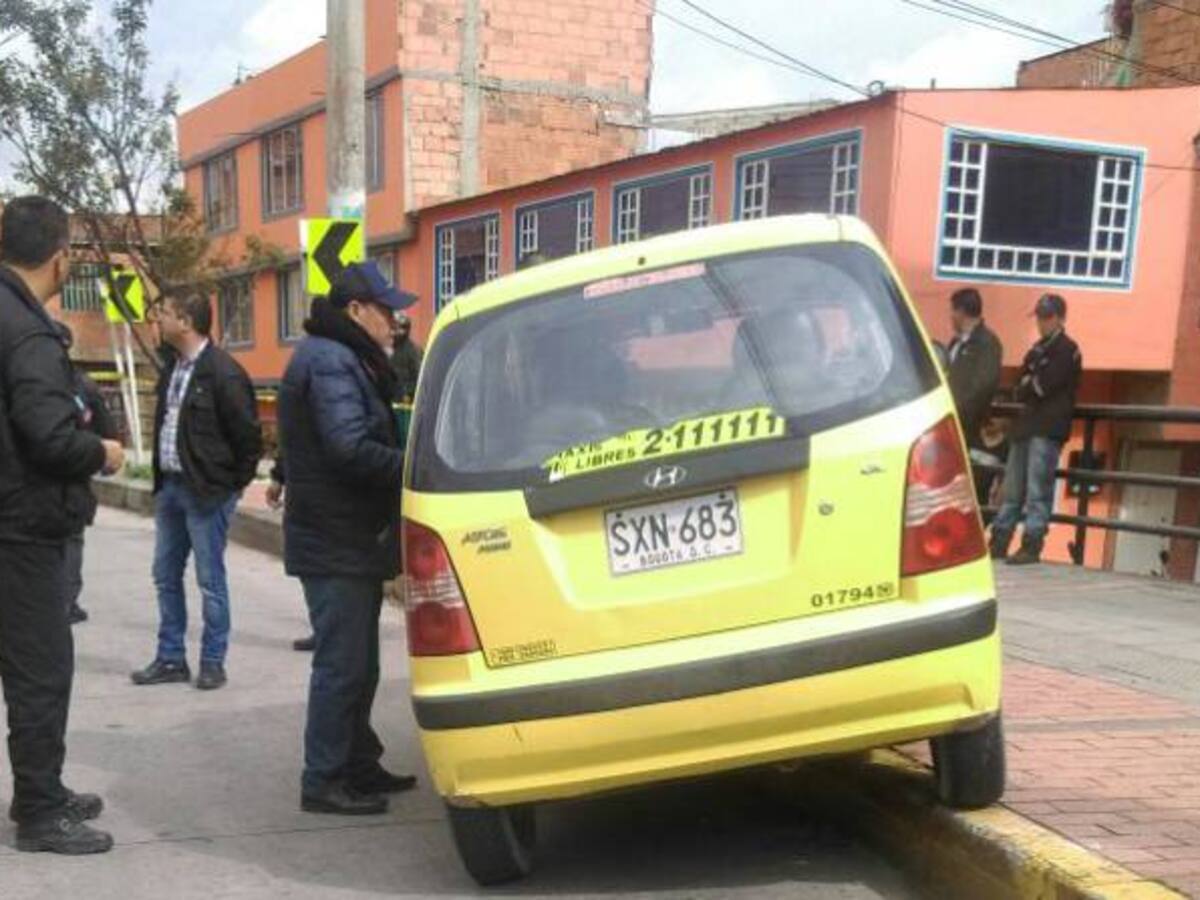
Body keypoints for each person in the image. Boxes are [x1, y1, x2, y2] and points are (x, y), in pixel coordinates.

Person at [0, 195, 124, 854]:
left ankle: (42, 788)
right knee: (41, 673)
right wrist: (102, 452)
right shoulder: (26, 331)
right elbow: (49, 437)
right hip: (22, 529)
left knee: (32, 670)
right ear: (60, 258)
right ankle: (42, 812)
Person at [278, 261, 418, 815]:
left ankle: (359, 763)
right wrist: (415, 466)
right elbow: (348, 448)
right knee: (341, 665)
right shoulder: (332, 361)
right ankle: (324, 778)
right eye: (387, 311)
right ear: (357, 311)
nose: (396, 321)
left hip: (346, 536)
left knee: (360, 664)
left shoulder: (337, 355)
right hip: (334, 538)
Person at [131, 292, 262, 690]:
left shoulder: (224, 373)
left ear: (186, 322)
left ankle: (212, 661)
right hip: (171, 488)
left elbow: (248, 439)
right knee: (165, 574)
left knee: (210, 578)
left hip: (207, 493)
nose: (159, 320)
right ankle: (171, 657)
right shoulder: (174, 368)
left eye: (166, 315)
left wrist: (230, 488)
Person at [989, 294, 1082, 566]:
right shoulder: (1038, 349)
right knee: (1013, 487)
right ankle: (1001, 539)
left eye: (1048, 316)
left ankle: (1031, 543)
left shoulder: (1067, 349)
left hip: (1047, 427)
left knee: (1037, 488)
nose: (1042, 322)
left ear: (1060, 318)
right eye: (1041, 316)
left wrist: (1030, 383)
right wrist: (1030, 383)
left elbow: (1044, 385)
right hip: (1027, 425)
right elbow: (1022, 384)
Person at [55, 321, 120, 625]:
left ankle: (58, 602)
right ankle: (67, 603)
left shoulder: (28, 381)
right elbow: (108, 432)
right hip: (76, 475)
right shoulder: (84, 384)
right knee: (71, 540)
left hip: (37, 478)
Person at [264, 452, 316, 653]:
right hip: (302, 497)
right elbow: (289, 441)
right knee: (308, 568)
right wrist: (278, 478)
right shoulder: (296, 419)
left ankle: (336, 630)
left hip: (335, 496)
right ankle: (323, 627)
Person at [946, 288, 1003, 451]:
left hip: (970, 428)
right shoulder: (956, 343)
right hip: (951, 423)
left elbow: (983, 385)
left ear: (961, 312)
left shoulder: (987, 343)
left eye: (953, 310)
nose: (951, 316)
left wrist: (962, 412)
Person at [391, 313, 423, 403]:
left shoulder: (413, 351)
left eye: (401, 328)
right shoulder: (388, 347)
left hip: (407, 399)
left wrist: (407, 393)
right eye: (394, 327)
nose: (397, 331)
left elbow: (419, 377)